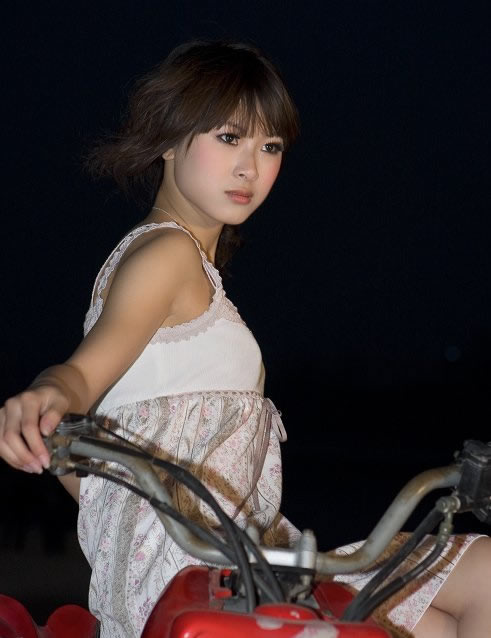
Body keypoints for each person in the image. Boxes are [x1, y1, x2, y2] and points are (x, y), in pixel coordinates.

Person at [0, 39, 490, 638]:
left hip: (222, 570)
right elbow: (81, 375)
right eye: (229, 137)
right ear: (167, 140)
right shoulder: (167, 254)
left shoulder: (178, 265)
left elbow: (98, 459)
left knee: (432, 624)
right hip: (204, 581)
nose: (250, 168)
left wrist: (118, 519)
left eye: (270, 146)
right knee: (484, 575)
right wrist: (48, 395)